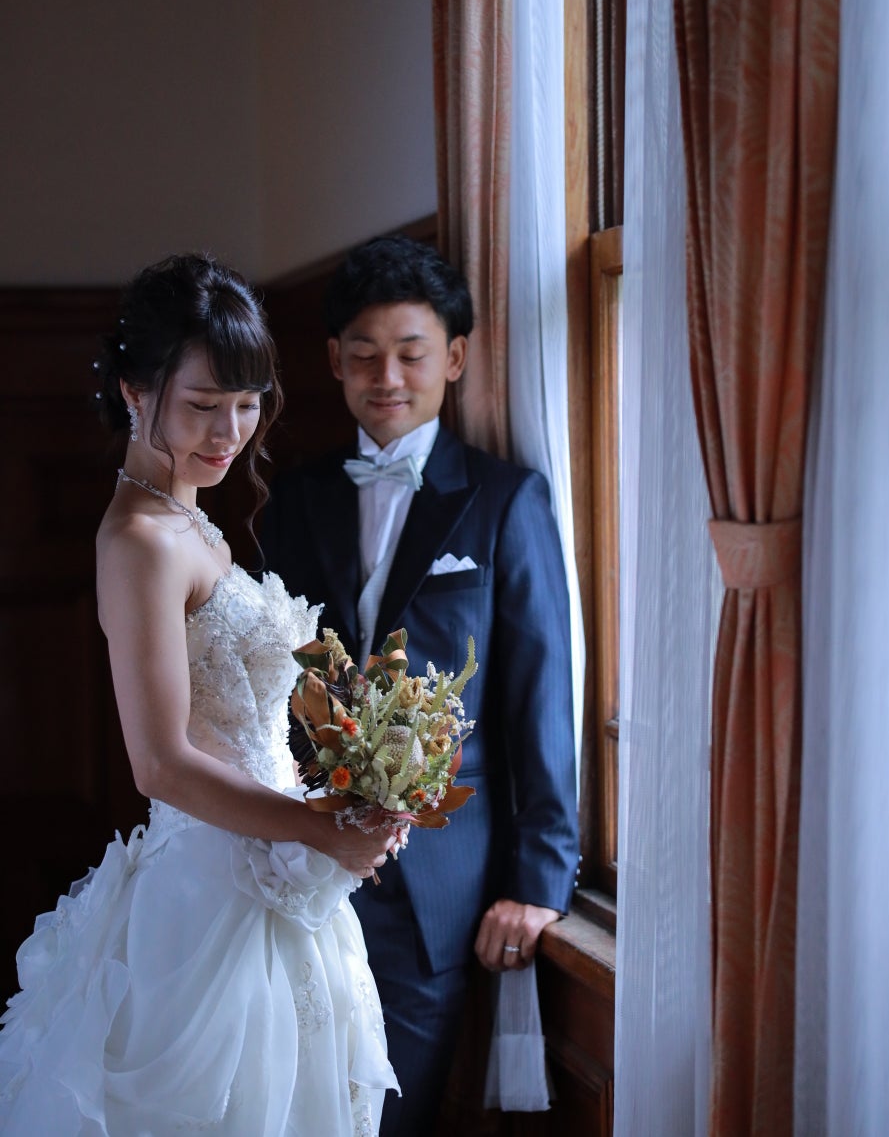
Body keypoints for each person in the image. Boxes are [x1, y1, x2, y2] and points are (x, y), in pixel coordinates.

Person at [0, 252, 401, 1136]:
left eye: (248, 403)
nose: (231, 432)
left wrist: (352, 798)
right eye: (204, 405)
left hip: (281, 871)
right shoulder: (140, 541)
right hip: (211, 892)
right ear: (135, 392)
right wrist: (318, 829)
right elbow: (160, 764)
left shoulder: (192, 518)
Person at [261, 235, 580, 1135]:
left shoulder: (505, 500)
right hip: (296, 865)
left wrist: (539, 880)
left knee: (384, 1119)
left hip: (437, 887)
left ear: (456, 357)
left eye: (411, 353)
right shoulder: (293, 501)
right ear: (334, 360)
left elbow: (539, 700)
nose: (387, 376)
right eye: (364, 355)